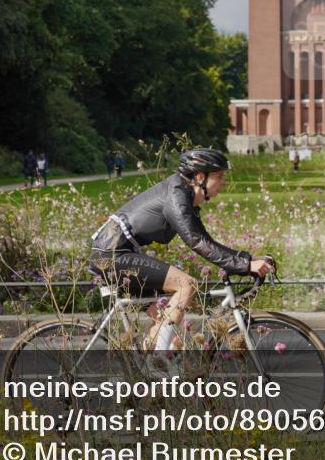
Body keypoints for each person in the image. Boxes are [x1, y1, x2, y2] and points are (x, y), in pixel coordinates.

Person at [88, 148, 274, 351]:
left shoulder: (181, 193)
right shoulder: (176, 196)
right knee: (187, 285)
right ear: (200, 177)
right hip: (111, 256)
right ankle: (157, 360)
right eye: (219, 176)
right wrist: (246, 265)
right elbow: (197, 242)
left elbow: (207, 242)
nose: (223, 182)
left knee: (168, 329)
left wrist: (246, 259)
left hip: (117, 254)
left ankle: (149, 372)